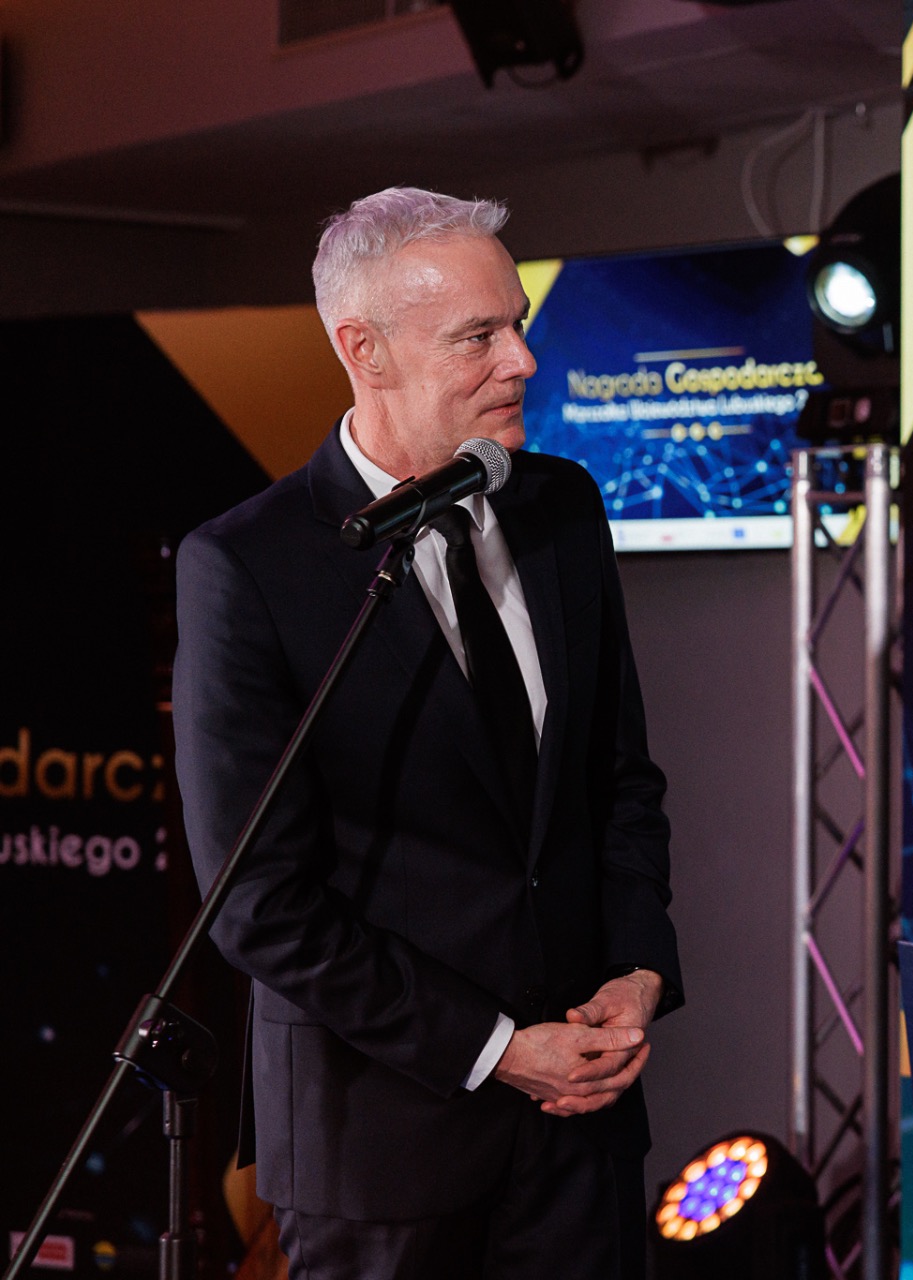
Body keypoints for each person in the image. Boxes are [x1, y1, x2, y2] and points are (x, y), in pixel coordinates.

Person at [173, 187, 682, 1280]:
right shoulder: (248, 564)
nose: (522, 362)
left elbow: (619, 780)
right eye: (477, 336)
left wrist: (639, 967)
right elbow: (258, 897)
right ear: (363, 349)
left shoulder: (562, 506)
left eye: (519, 325)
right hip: (379, 1144)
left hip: (580, 1132)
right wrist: (499, 1050)